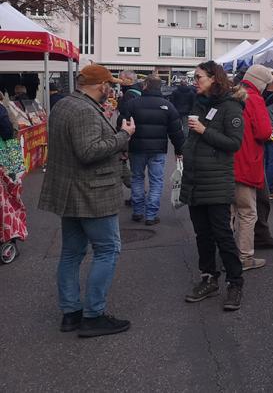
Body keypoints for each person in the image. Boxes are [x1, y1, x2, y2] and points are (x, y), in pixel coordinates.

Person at [37, 64, 136, 337]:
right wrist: (124, 135)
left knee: (72, 253)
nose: (111, 90)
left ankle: (71, 313)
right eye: (109, 85)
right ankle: (93, 315)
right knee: (108, 250)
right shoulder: (83, 110)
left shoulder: (65, 105)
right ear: (101, 86)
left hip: (72, 191)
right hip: (91, 192)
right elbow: (89, 151)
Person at [180, 60, 246, 311]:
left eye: (198, 77)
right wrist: (186, 149)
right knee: (202, 235)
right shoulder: (200, 103)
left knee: (222, 235)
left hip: (217, 182)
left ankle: (235, 282)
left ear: (214, 79)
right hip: (195, 181)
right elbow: (193, 138)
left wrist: (204, 130)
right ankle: (209, 278)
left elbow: (233, 143)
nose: (194, 81)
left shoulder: (230, 107)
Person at [121, 75, 185, 225]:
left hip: (136, 148)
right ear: (160, 87)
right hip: (158, 150)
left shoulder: (132, 104)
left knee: (137, 178)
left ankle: (137, 211)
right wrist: (179, 150)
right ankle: (151, 215)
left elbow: (121, 124)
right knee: (156, 181)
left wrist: (123, 147)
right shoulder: (167, 105)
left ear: (145, 86)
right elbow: (176, 131)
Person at [232, 64, 273, 271]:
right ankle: (244, 257)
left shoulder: (232, 95)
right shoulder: (254, 99)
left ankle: (227, 254)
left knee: (228, 212)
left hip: (226, 162)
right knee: (247, 213)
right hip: (246, 162)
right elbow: (264, 133)